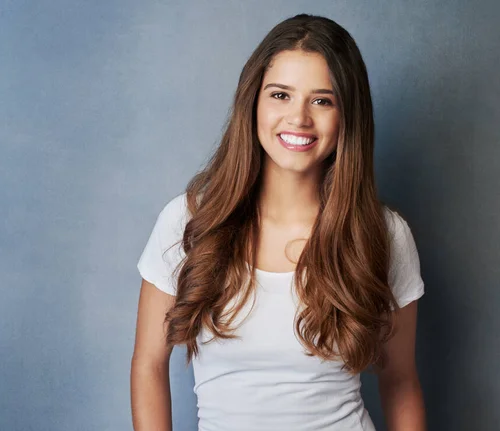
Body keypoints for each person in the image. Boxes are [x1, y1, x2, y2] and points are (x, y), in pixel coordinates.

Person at [131, 13, 426, 431]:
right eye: (280, 95)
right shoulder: (189, 220)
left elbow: (400, 382)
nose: (299, 118)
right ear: (253, 101)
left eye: (322, 100)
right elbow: (147, 364)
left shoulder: (382, 233)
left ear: (347, 117)